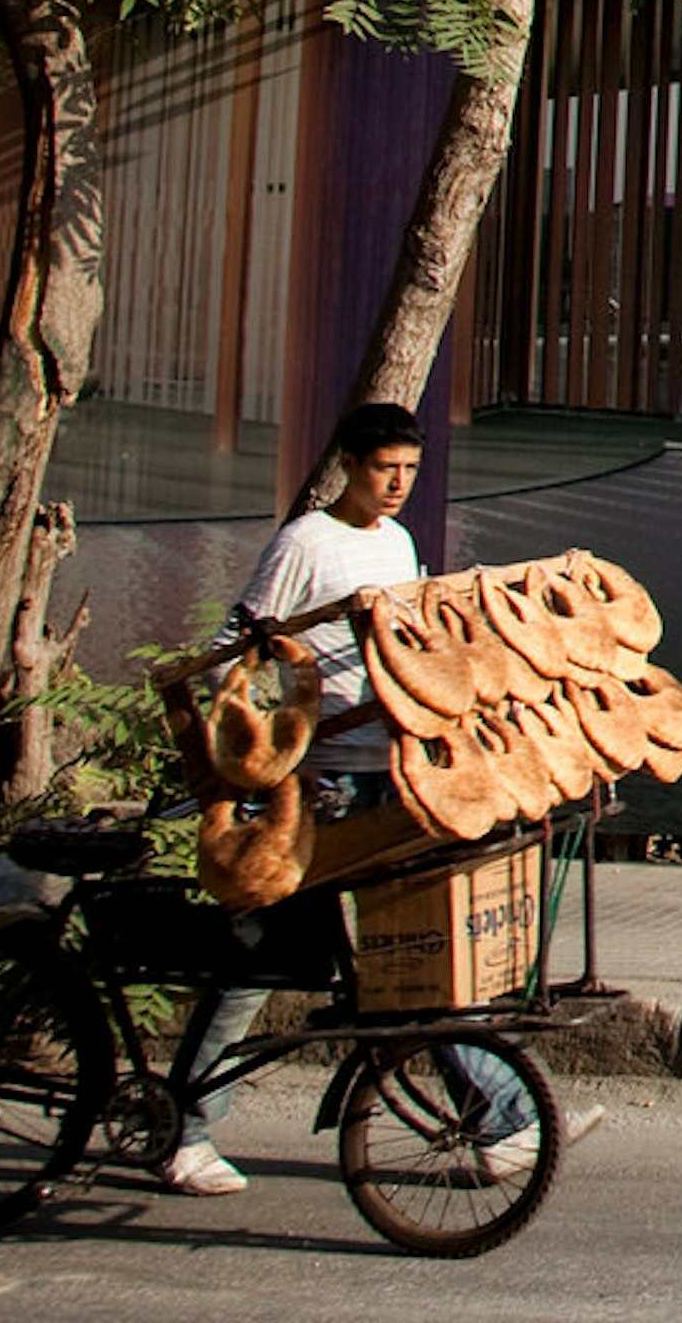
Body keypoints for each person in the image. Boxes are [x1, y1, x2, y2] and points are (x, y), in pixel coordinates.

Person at [163, 400, 600, 1196]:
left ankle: (502, 1117)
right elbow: (240, 643)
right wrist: (270, 705)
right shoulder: (305, 543)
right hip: (319, 781)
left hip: (388, 768)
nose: (396, 485)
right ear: (350, 466)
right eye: (381, 470)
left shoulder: (397, 541)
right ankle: (182, 1130)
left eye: (408, 470)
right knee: (263, 963)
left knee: (417, 951)